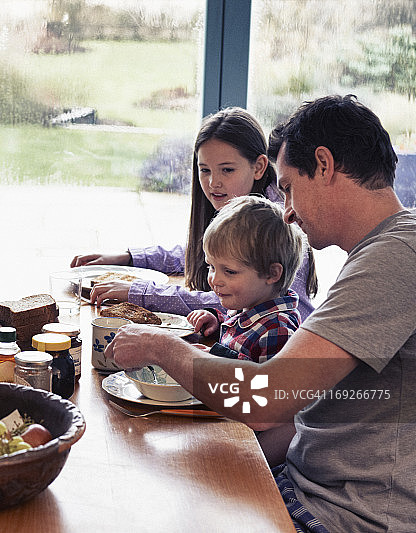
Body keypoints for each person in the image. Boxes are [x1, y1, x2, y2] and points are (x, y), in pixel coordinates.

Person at [104, 94, 415, 532]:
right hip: (306, 481)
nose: (286, 211)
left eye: (287, 187)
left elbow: (264, 400)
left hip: (337, 513)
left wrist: (162, 347)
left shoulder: (396, 256)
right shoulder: (385, 249)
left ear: (323, 165)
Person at [70, 107, 317, 320]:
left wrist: (141, 292)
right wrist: (127, 258)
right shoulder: (242, 211)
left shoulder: (279, 223)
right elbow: (198, 255)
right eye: (205, 170)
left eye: (227, 170)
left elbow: (226, 297)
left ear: (259, 167)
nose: (213, 183)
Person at [186, 195, 302, 363]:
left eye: (230, 271)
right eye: (211, 267)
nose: (215, 279)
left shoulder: (277, 330)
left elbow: (266, 382)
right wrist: (217, 323)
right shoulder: (246, 304)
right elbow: (240, 340)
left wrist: (216, 357)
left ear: (271, 274)